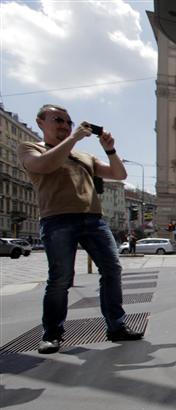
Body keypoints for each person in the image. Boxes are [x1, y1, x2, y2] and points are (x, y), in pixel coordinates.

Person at [17, 104, 144, 354]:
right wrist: (74, 139)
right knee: (60, 279)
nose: (65, 126)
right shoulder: (31, 148)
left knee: (112, 269)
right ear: (41, 122)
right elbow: (43, 166)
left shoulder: (85, 157)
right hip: (57, 219)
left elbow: (119, 174)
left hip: (94, 219)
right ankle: (52, 334)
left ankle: (116, 326)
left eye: (68, 122)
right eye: (58, 120)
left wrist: (110, 150)